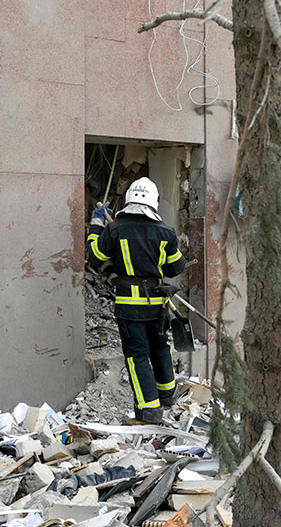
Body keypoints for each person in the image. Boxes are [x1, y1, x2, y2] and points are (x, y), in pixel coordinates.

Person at [87, 177, 186, 424]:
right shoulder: (166, 232)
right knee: (160, 347)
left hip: (129, 307)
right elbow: (176, 267)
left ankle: (148, 410)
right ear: (154, 202)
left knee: (137, 356)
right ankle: (167, 395)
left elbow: (95, 257)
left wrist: (96, 225)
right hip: (157, 305)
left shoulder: (115, 229)